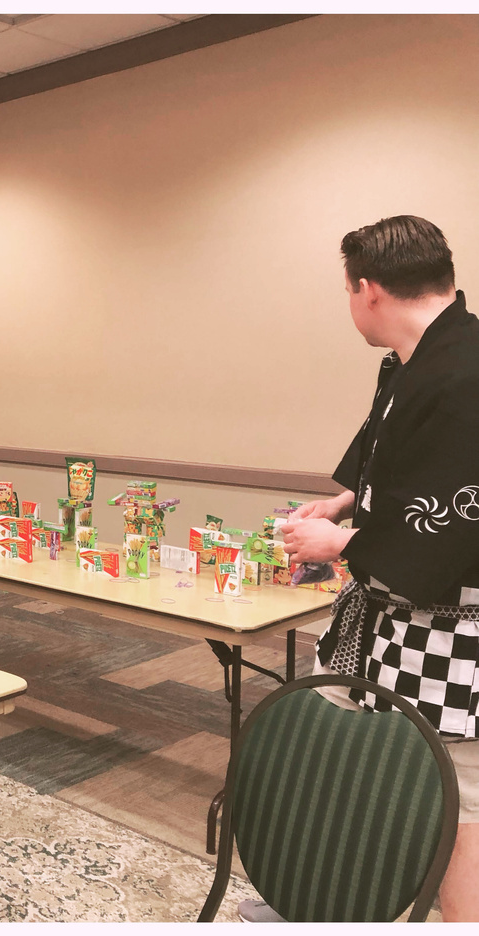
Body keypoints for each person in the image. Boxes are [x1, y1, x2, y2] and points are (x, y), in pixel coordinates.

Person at [275, 215, 479, 923]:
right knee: (366, 765)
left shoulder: (464, 372)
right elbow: (391, 468)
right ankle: (335, 901)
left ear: (366, 289)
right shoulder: (420, 358)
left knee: (453, 800)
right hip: (390, 615)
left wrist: (340, 545)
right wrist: (340, 503)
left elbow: (454, 515)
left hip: (451, 632)